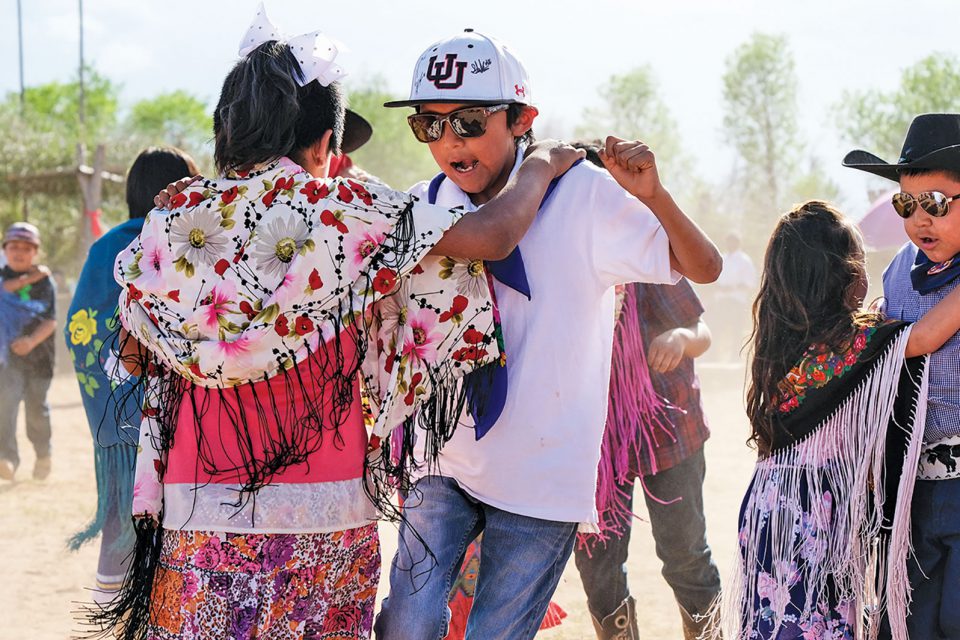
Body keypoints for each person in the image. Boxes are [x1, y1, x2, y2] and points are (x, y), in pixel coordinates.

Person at [94, 9, 583, 640]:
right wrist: (540, 166)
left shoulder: (175, 217)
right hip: (323, 516)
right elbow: (490, 237)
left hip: (197, 517)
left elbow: (134, 357)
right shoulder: (347, 212)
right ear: (326, 144)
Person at [374, 29, 721, 640]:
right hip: (444, 459)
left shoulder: (583, 195)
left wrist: (654, 195)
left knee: (496, 634)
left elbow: (704, 267)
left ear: (522, 118)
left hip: (543, 474)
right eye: (429, 126)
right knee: (407, 623)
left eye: (470, 121)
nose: (450, 142)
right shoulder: (422, 205)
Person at [720, 200, 960, 640]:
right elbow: (924, 336)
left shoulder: (785, 340)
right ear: (843, 277)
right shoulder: (846, 346)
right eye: (860, 260)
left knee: (779, 624)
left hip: (771, 506)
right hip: (814, 510)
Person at [65, 146, 200, 604]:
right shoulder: (187, 237)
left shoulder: (107, 248)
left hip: (120, 427)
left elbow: (80, 328)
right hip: (181, 421)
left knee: (123, 523)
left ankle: (115, 607)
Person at [843, 112, 960, 639]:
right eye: (906, 205)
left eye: (935, 204)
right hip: (912, 486)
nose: (919, 220)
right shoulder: (897, 272)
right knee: (910, 620)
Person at [0, 221, 57, 481]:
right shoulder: (4, 277)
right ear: (5, 249)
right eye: (14, 246)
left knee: (36, 409)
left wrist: (31, 341)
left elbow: (50, 320)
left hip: (39, 358)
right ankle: (7, 459)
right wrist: (32, 276)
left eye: (26, 248)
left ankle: (43, 454)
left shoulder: (46, 284)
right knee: (6, 407)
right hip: (7, 358)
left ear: (35, 252)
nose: (19, 252)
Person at [710, 232, 757, 361]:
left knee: (736, 328)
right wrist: (718, 287)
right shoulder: (722, 257)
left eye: (733, 241)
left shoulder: (744, 260)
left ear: (738, 243)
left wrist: (733, 288)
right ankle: (714, 356)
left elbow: (750, 282)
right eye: (728, 241)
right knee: (717, 327)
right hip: (721, 299)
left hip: (736, 299)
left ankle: (735, 357)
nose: (730, 244)